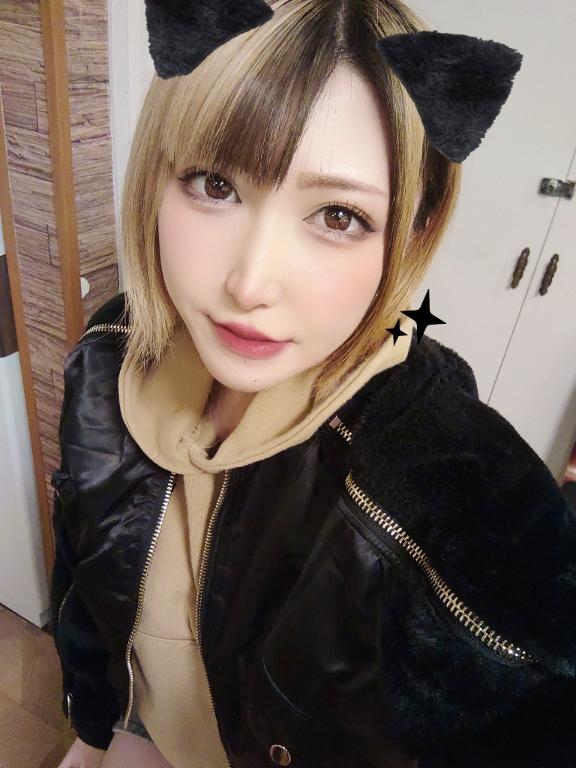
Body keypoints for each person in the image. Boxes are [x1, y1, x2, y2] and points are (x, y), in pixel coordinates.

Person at [52, 1, 576, 767]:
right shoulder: (112, 351)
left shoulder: (456, 489)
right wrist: (96, 728)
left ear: (413, 231)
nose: (251, 282)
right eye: (214, 183)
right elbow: (87, 579)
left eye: (337, 215)